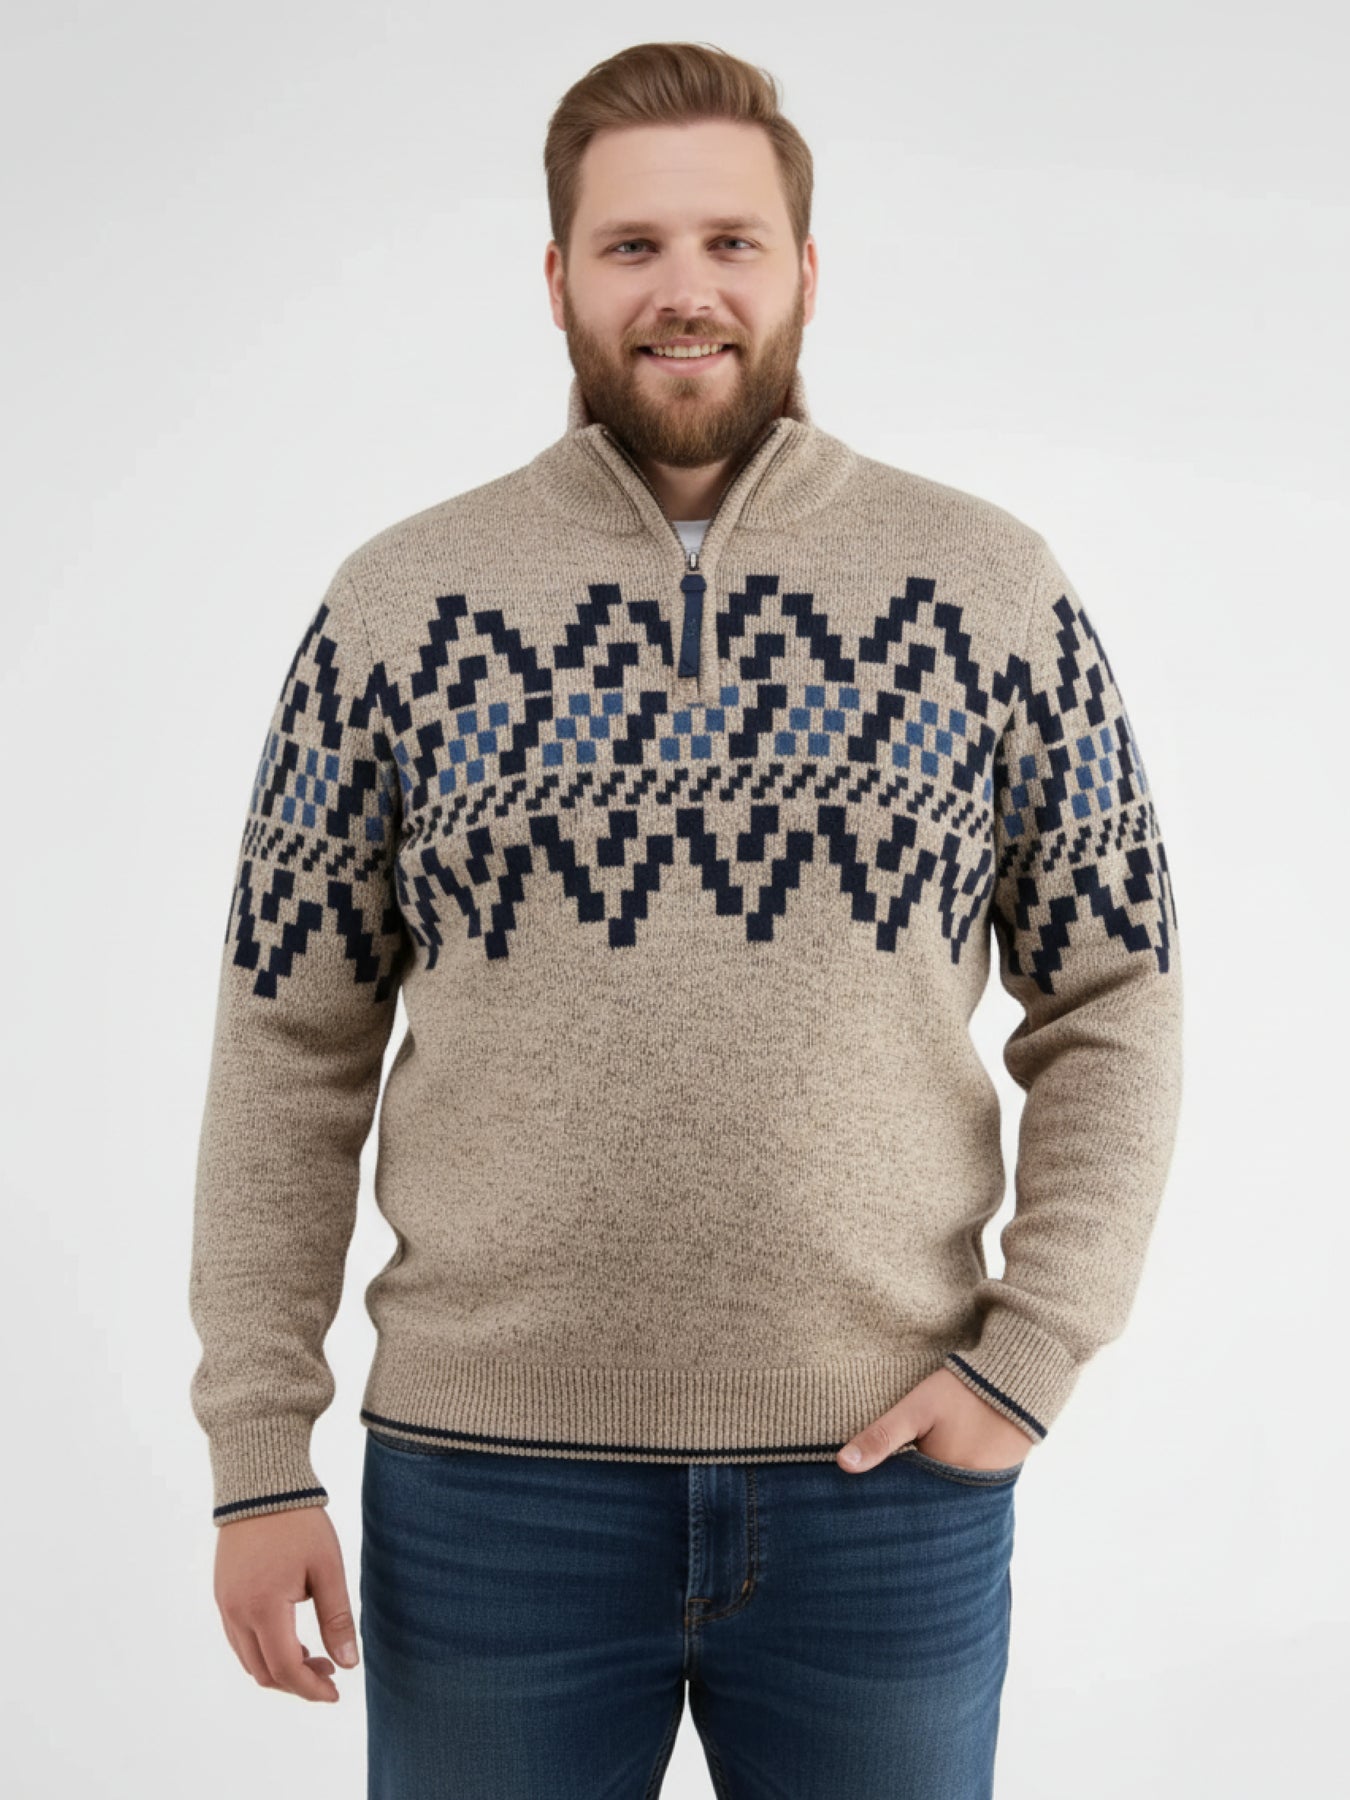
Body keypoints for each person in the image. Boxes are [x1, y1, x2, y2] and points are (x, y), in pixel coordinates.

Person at [188, 39, 1184, 1800]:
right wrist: (258, 1452)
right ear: (557, 277)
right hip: (487, 1495)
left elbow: (1113, 993)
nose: (684, 291)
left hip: (886, 1488)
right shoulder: (398, 607)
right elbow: (290, 1040)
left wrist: (1028, 1359)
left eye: (731, 242)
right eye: (632, 245)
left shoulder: (985, 589)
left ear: (803, 271)